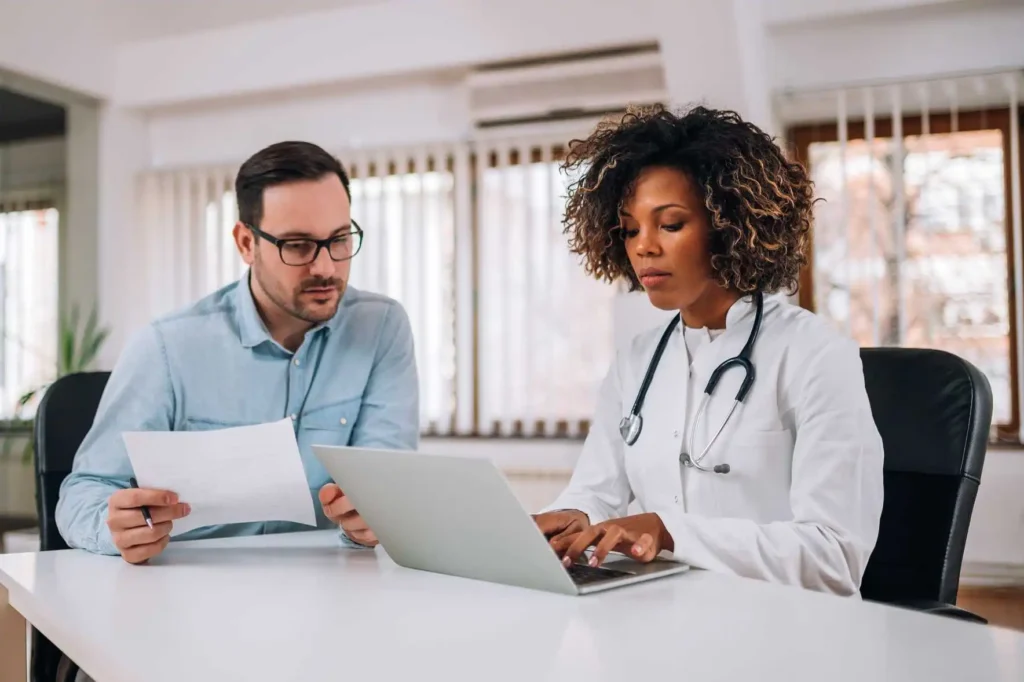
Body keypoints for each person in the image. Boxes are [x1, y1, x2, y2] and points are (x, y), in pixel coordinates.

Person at [533, 105, 884, 596]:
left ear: (730, 225)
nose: (643, 248)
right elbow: (596, 492)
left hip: (783, 633)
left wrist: (671, 532)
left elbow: (834, 557)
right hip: (663, 615)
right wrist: (573, 517)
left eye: (670, 224)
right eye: (631, 229)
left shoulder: (815, 354)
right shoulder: (637, 361)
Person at [56, 140, 419, 565]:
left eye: (339, 239)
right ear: (247, 243)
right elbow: (83, 492)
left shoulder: (381, 328)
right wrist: (112, 526)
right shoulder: (167, 347)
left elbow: (388, 487)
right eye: (298, 245)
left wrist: (373, 520)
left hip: (330, 593)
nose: (326, 267)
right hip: (190, 596)